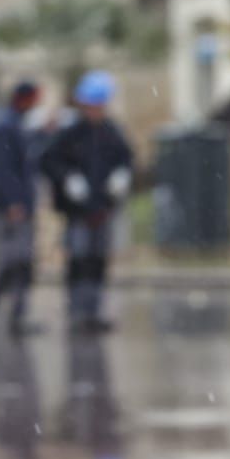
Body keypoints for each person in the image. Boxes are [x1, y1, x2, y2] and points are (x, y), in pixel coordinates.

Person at [40, 70, 135, 333]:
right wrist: (67, 178)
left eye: (100, 105)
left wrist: (122, 175)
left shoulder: (112, 131)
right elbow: (48, 160)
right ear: (83, 104)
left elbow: (126, 158)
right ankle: (76, 312)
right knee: (78, 260)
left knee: (98, 261)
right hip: (78, 211)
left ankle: (94, 311)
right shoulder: (70, 133)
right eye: (92, 105)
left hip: (103, 208)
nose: (96, 110)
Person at [0, 81, 43, 335]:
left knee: (21, 262)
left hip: (20, 205)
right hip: (11, 208)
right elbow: (3, 169)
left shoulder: (14, 124)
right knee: (14, 260)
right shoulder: (5, 127)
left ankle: (15, 313)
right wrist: (14, 201)